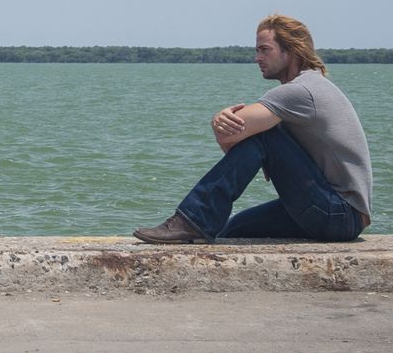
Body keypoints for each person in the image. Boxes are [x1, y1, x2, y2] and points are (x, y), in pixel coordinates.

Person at [134, 14, 373, 243]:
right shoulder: (310, 86)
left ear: (291, 51)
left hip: (339, 214)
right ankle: (197, 228)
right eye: (257, 50)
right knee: (234, 229)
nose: (257, 57)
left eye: (265, 50)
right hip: (337, 213)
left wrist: (220, 122)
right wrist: (229, 128)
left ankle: (193, 219)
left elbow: (230, 133)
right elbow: (236, 136)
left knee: (265, 135)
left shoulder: (299, 91)